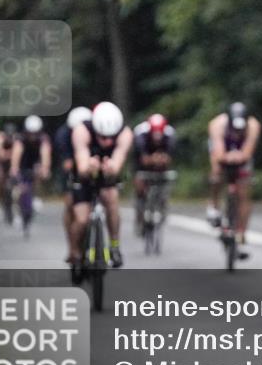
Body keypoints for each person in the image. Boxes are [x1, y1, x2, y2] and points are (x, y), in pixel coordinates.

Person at [69, 101, 133, 277]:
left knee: (111, 200)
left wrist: (111, 167)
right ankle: (75, 252)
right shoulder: (81, 131)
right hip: (84, 177)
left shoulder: (125, 133)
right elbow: (81, 163)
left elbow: (118, 160)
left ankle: (114, 245)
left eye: (111, 137)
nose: (107, 142)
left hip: (107, 176)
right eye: (102, 137)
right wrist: (89, 166)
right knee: (81, 219)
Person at [206, 102, 261, 259]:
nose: (237, 132)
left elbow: (248, 152)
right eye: (235, 129)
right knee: (216, 173)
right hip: (222, 150)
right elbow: (218, 152)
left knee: (244, 191)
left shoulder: (253, 125)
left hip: (241, 155)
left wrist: (241, 156)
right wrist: (225, 157)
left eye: (240, 129)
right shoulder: (218, 124)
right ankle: (213, 206)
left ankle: (241, 235)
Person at [55, 106, 92, 262]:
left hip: (90, 170)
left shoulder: (94, 132)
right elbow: (66, 163)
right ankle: (72, 246)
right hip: (72, 173)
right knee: (70, 203)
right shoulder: (63, 135)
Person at [132, 113, 176, 235]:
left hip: (160, 164)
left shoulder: (169, 134)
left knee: (165, 180)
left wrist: (160, 159)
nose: (157, 139)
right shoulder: (141, 134)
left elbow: (168, 157)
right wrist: (152, 159)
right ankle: (140, 214)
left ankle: (163, 203)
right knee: (140, 184)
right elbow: (142, 159)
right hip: (141, 163)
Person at [9, 115, 52, 236]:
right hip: (23, 163)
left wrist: (45, 168)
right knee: (18, 191)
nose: (33, 136)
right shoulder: (20, 139)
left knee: (39, 172)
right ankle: (17, 214)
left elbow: (45, 154)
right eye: (30, 133)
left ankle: (37, 196)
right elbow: (16, 155)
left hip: (35, 163)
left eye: (35, 133)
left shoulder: (43, 139)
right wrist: (14, 169)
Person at [0, 122, 18, 224]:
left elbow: (17, 154)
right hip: (0, 164)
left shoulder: (16, 138)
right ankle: (0, 199)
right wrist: (11, 153)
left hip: (12, 164)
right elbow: (1, 155)